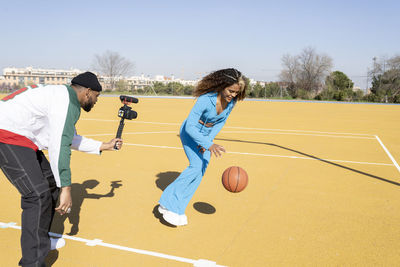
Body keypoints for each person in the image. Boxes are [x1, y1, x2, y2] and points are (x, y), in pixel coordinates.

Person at [0, 72, 122, 267]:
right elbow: (59, 146)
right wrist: (66, 188)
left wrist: (104, 145)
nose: (96, 101)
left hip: (20, 137)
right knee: (37, 195)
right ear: (88, 92)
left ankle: (42, 241)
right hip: (6, 135)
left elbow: (68, 138)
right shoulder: (66, 102)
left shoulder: (62, 97)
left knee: (49, 185)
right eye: (97, 96)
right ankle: (31, 263)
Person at [158, 68, 247, 226]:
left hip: (205, 136)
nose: (233, 95)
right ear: (222, 86)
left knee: (201, 170)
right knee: (196, 165)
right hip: (190, 133)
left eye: (236, 92)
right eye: (230, 91)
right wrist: (207, 144)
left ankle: (178, 207)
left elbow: (220, 123)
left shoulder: (231, 104)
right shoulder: (206, 99)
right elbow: (190, 127)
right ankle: (167, 202)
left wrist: (207, 142)